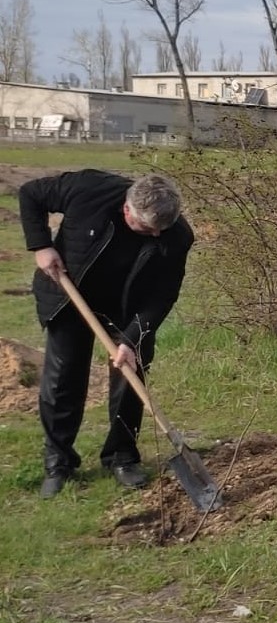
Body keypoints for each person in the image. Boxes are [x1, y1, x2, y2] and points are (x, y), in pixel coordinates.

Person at [19, 169, 193, 497]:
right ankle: (58, 463)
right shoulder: (88, 188)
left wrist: (131, 339)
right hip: (71, 295)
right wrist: (41, 246)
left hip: (130, 309)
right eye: (148, 229)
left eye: (162, 230)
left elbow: (163, 294)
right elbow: (31, 193)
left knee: (131, 377)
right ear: (128, 210)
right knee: (63, 380)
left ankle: (122, 457)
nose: (156, 236)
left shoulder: (176, 235)